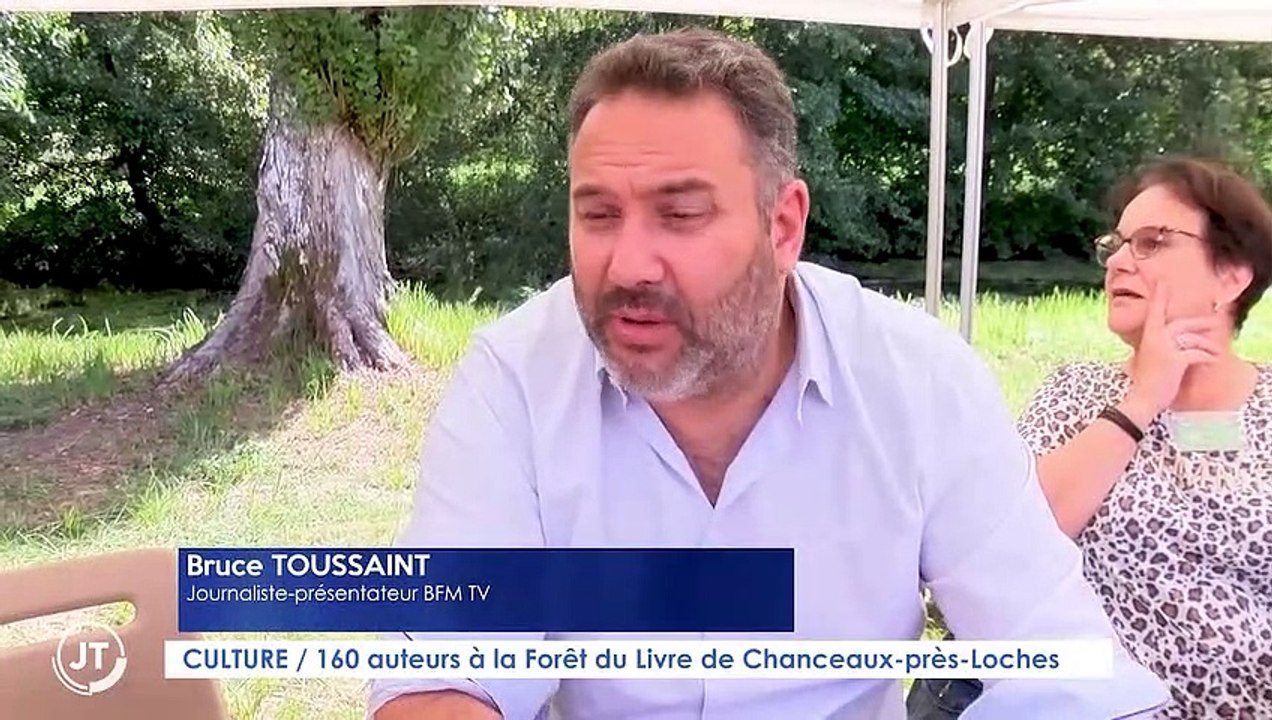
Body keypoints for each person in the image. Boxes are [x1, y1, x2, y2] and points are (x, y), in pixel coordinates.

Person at [368, 28, 1168, 720]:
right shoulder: (514, 382)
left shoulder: (920, 383)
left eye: (681, 214)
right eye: (598, 214)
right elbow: (443, 669)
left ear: (783, 227)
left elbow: (1062, 665)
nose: (629, 263)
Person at [908, 156, 1272, 720]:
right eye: (1118, 244)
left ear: (1232, 275)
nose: (1119, 261)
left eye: (1152, 242)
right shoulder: (1075, 392)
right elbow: (1010, 540)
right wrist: (1142, 399)